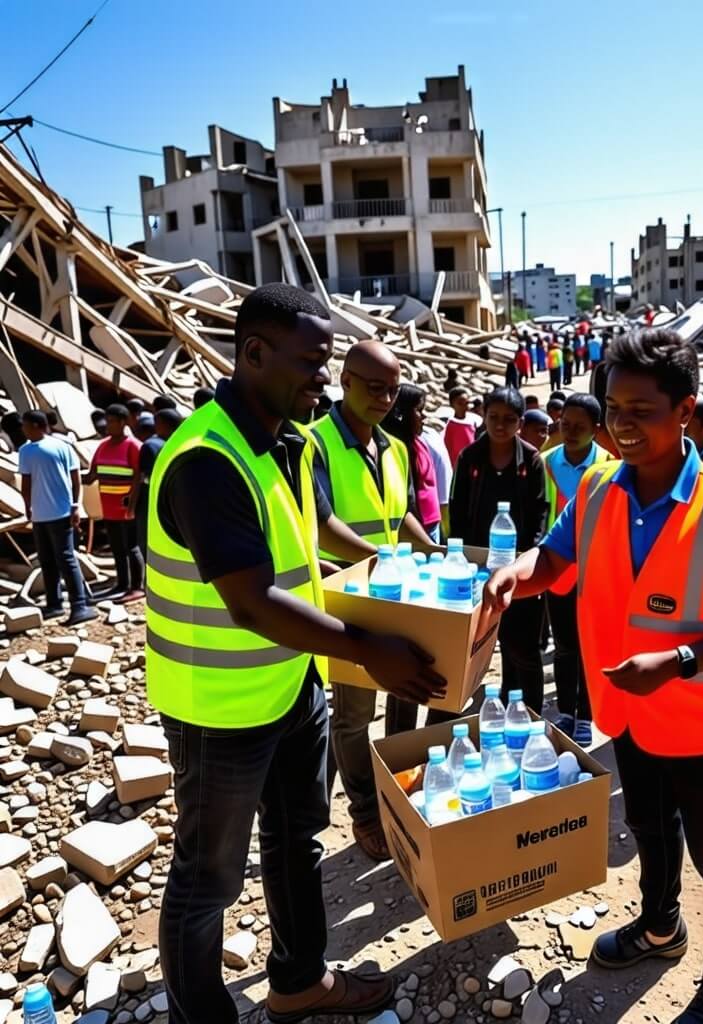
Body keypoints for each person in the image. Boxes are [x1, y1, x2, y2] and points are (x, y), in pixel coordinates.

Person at [148, 283, 443, 1024]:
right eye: (313, 365)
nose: (324, 380)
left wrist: (395, 564)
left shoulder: (294, 441)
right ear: (253, 354)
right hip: (216, 708)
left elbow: (320, 531)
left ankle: (299, 980)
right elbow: (249, 602)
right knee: (207, 878)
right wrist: (368, 648)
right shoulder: (205, 461)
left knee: (296, 839)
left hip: (290, 684)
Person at [485, 328, 703, 1024]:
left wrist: (677, 662)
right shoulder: (595, 487)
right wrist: (511, 579)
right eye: (614, 407)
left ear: (686, 411)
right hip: (630, 713)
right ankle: (659, 925)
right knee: (647, 826)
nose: (622, 423)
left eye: (641, 409)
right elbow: (553, 560)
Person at [311, 342, 440, 863]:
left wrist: (431, 553)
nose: (385, 398)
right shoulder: (313, 444)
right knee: (354, 713)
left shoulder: (393, 447)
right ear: (344, 381)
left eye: (392, 389)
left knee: (406, 690)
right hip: (346, 599)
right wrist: (381, 558)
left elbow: (402, 513)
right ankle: (365, 810)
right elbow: (320, 523)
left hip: (397, 593)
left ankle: (398, 788)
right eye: (373, 386)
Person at [450, 386, 549, 711]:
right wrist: (463, 559)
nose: (500, 425)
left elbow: (539, 514)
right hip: (477, 568)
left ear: (520, 422)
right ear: (485, 417)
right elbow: (458, 510)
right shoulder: (469, 458)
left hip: (516, 568)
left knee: (522, 648)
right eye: (494, 417)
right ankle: (501, 699)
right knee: (477, 644)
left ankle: (531, 714)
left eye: (509, 419)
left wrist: (528, 561)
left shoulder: (531, 460)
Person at [540, 393, 610, 746]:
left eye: (580, 427)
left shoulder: (611, 468)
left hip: (596, 572)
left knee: (591, 646)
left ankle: (587, 713)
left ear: (596, 430)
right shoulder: (546, 464)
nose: (570, 432)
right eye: (565, 425)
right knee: (566, 644)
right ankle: (567, 709)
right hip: (558, 571)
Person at [18, 409, 96, 626]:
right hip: (61, 511)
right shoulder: (63, 446)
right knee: (62, 558)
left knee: (54, 559)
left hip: (43, 514)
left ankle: (73, 604)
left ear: (35, 426)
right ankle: (61, 603)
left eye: (25, 425)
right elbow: (76, 478)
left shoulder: (26, 451)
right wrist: (75, 505)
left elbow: (26, 483)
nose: (22, 429)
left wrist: (28, 507)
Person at [84, 403, 145, 603]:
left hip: (126, 507)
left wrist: (132, 506)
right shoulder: (103, 446)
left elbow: (138, 477)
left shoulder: (133, 446)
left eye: (112, 421)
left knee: (131, 547)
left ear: (123, 422)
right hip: (108, 507)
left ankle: (137, 587)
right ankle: (121, 583)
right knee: (117, 548)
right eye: (107, 421)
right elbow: (92, 475)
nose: (108, 426)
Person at [382, 384, 443, 544]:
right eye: (419, 410)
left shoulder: (419, 442)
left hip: (432, 525)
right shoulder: (396, 448)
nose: (423, 417)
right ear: (402, 413)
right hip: (416, 530)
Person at [130, 408, 183, 559]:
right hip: (176, 499)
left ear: (161, 424)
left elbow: (141, 478)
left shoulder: (150, 445)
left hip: (151, 500)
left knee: (146, 541)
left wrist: (132, 506)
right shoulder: (182, 441)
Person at [443, 386, 480, 468]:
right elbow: (447, 449)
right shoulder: (449, 425)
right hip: (455, 467)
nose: (464, 407)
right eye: (460, 403)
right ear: (452, 404)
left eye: (466, 403)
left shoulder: (472, 422)